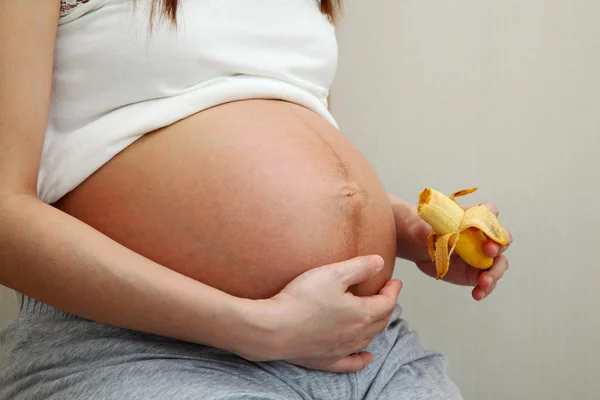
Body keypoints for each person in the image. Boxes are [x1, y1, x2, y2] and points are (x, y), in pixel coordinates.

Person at [0, 0, 511, 398]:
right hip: (145, 346)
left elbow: (270, 124)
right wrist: (256, 328)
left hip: (364, 347)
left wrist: (404, 226)